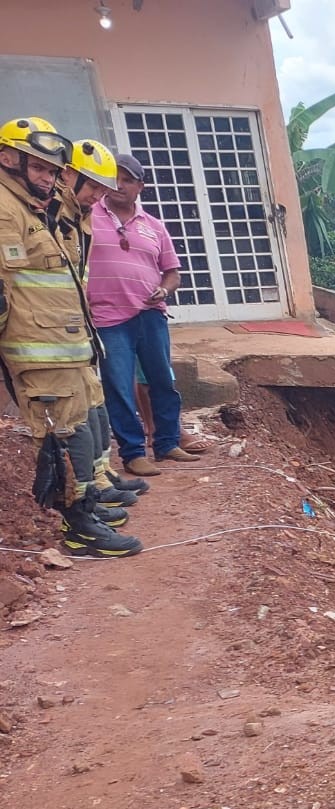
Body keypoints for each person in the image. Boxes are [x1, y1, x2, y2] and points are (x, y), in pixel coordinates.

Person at [0, 116, 141, 557]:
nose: (48, 177)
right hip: (38, 353)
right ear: (8, 159)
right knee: (62, 438)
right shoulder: (7, 210)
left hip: (64, 346)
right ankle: (77, 529)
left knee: (81, 427)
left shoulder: (34, 209)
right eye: (39, 168)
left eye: (51, 169)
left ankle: (87, 508)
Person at [87, 151, 195, 477]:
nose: (119, 185)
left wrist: (164, 289)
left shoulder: (154, 227)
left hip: (150, 315)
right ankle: (133, 453)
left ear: (140, 186)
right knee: (119, 385)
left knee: (162, 381)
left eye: (127, 180)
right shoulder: (87, 216)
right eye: (114, 178)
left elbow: (172, 273)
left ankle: (166, 443)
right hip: (108, 318)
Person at [54, 137, 148, 512]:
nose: (99, 195)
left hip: (78, 330)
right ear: (70, 175)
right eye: (93, 186)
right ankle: (81, 509)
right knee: (72, 413)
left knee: (94, 404)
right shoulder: (44, 215)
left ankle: (99, 479)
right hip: (49, 336)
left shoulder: (77, 218)